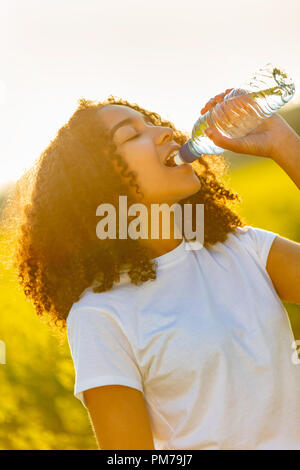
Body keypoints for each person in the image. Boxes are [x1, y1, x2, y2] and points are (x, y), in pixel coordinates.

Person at [4, 90, 300, 450]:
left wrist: (283, 143)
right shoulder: (100, 314)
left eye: (154, 123)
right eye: (131, 135)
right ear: (97, 180)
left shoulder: (245, 249)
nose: (163, 132)